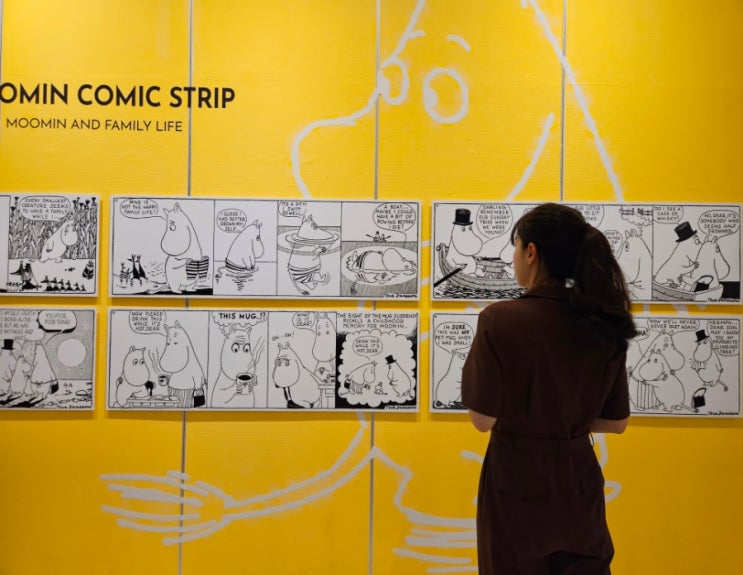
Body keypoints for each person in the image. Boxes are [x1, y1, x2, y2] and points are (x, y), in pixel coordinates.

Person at [462, 202, 637, 575]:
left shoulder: (499, 320)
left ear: (531, 252)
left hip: (516, 482)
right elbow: (616, 422)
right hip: (578, 481)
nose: (513, 259)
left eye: (515, 247)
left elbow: (482, 419)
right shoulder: (604, 322)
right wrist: (566, 420)